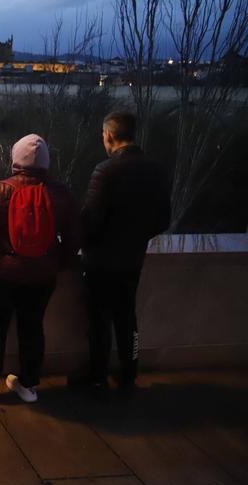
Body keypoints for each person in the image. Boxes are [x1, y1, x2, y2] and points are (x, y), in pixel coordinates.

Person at [0, 134, 79, 403]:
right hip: (42, 276)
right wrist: (56, 264)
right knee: (32, 328)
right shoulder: (60, 194)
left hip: (3, 273)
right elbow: (74, 239)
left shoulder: (2, 190)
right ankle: (28, 385)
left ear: (16, 159)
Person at [78, 111, 171, 393]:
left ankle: (97, 376)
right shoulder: (156, 170)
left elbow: (90, 222)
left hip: (101, 262)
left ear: (108, 135)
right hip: (132, 259)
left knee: (99, 321)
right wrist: (135, 237)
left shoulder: (105, 171)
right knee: (127, 318)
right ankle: (129, 374)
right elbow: (163, 219)